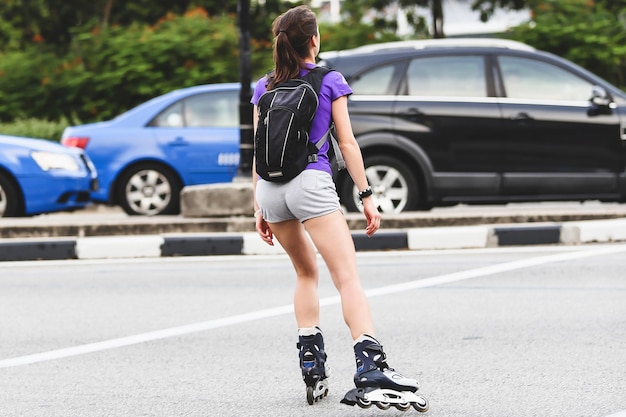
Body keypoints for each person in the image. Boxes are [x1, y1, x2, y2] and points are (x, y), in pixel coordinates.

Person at [250, 5, 428, 412]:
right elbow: (347, 144)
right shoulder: (329, 79)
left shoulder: (263, 87)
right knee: (347, 278)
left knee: (305, 273)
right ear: (314, 40)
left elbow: (259, 151)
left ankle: (311, 362)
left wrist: (257, 206)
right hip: (311, 183)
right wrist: (366, 196)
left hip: (272, 191)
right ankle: (371, 369)